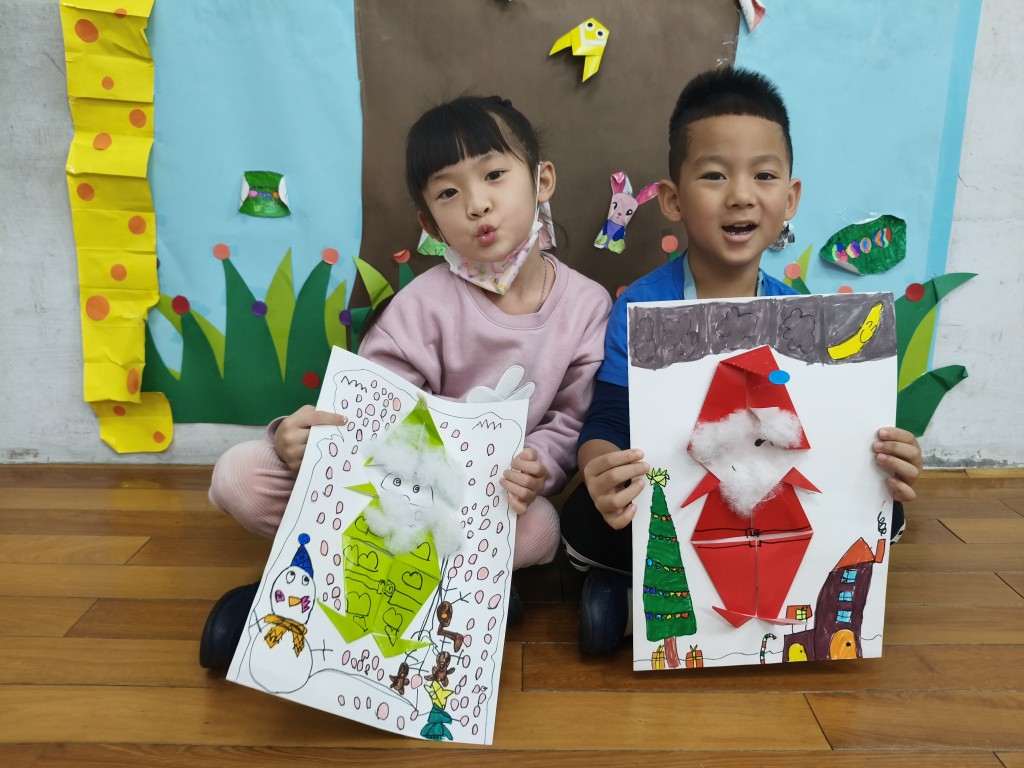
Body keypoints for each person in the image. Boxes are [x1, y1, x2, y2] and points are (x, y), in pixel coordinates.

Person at [198, 95, 612, 670]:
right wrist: (296, 438)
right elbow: (367, 408)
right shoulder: (422, 302)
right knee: (238, 475)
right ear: (429, 223)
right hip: (389, 496)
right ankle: (424, 590)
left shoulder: (587, 305)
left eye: (494, 175)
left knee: (540, 529)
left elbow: (570, 419)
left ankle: (425, 594)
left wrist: (537, 465)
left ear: (541, 181)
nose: (477, 204)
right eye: (448, 193)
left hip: (478, 501)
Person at [559, 67, 923, 655]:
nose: (741, 195)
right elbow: (606, 417)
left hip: (766, 500)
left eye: (764, 175)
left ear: (790, 197)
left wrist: (887, 456)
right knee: (583, 520)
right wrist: (601, 466)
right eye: (714, 174)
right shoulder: (641, 307)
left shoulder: (803, 320)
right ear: (672, 200)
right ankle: (639, 597)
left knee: (890, 511)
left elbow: (829, 438)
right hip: (686, 500)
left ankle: (644, 602)